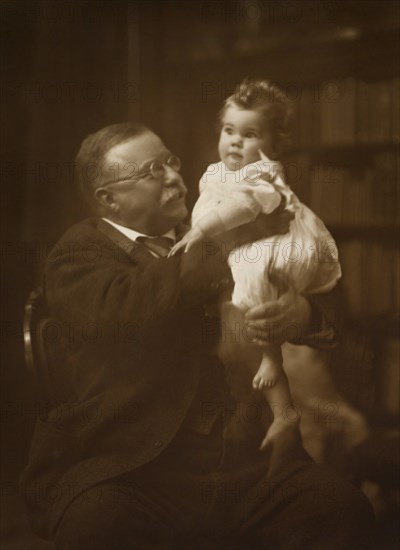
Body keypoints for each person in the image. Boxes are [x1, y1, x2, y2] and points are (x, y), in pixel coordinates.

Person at [20, 122, 374, 549]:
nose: (173, 176)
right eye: (152, 171)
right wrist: (222, 244)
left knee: (339, 508)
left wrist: (303, 315)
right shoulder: (79, 253)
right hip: (128, 467)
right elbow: (123, 308)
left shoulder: (212, 229)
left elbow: (315, 284)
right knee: (97, 526)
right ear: (109, 199)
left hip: (241, 462)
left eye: (171, 162)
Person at [170, 79, 342, 448]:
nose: (235, 141)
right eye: (229, 131)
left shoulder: (256, 178)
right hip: (216, 389)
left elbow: (334, 312)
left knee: (302, 408)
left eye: (249, 134)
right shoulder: (216, 179)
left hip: (274, 286)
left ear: (271, 146)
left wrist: (304, 313)